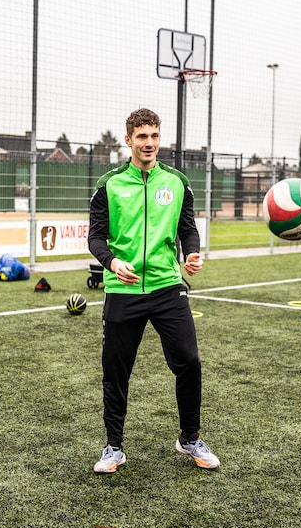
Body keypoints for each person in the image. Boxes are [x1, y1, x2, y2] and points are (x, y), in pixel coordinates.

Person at [87, 107, 217, 473]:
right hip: (122, 289)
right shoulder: (109, 185)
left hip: (166, 287)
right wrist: (112, 263)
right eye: (142, 136)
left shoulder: (176, 182)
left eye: (155, 136)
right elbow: (95, 237)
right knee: (115, 371)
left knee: (189, 362)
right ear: (128, 140)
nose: (149, 143)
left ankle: (190, 439)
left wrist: (191, 252)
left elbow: (187, 229)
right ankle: (114, 447)